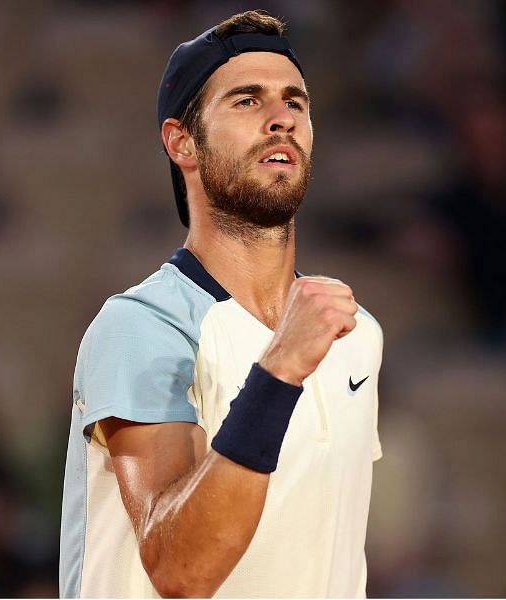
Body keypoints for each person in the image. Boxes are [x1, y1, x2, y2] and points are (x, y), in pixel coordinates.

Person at [59, 11, 382, 598]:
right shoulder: (140, 326)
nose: (282, 118)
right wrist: (278, 370)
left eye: (296, 103)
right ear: (181, 141)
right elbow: (180, 568)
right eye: (246, 101)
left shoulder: (357, 334)